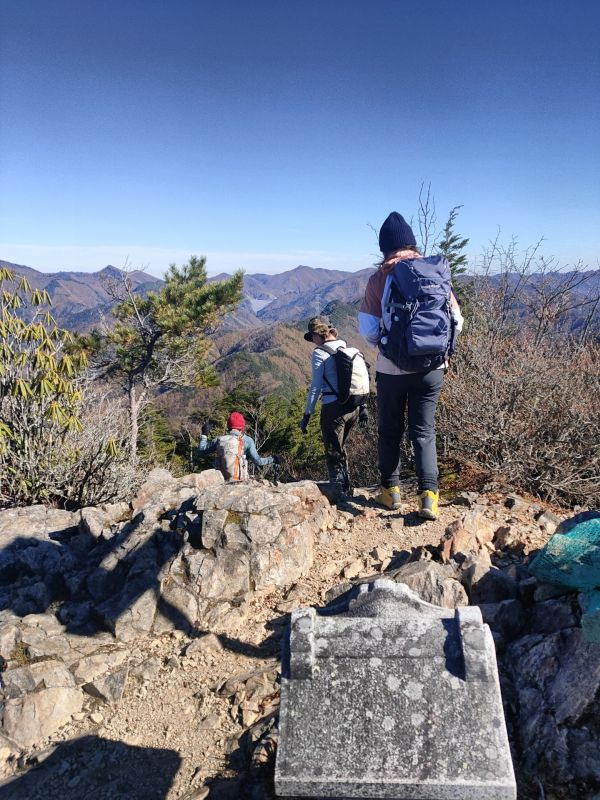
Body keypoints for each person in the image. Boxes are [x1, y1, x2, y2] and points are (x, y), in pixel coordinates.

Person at [358, 212, 464, 519]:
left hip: (392, 370)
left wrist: (390, 346)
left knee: (390, 430)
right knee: (424, 431)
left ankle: (390, 493)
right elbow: (456, 321)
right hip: (433, 368)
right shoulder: (434, 272)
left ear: (385, 247)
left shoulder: (381, 277)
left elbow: (367, 330)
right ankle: (428, 497)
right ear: (412, 244)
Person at [299, 316, 364, 493]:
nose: (312, 342)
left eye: (312, 338)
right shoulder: (345, 345)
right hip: (353, 407)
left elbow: (316, 387)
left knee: (333, 451)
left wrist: (307, 414)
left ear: (318, 335)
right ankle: (346, 487)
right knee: (340, 448)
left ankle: (338, 492)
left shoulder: (320, 353)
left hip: (333, 409)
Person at [198, 411, 276, 481]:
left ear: (228, 426)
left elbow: (201, 451)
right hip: (240, 480)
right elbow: (258, 461)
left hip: (221, 480)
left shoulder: (219, 440)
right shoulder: (248, 441)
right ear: (242, 427)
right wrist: (272, 458)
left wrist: (204, 434)